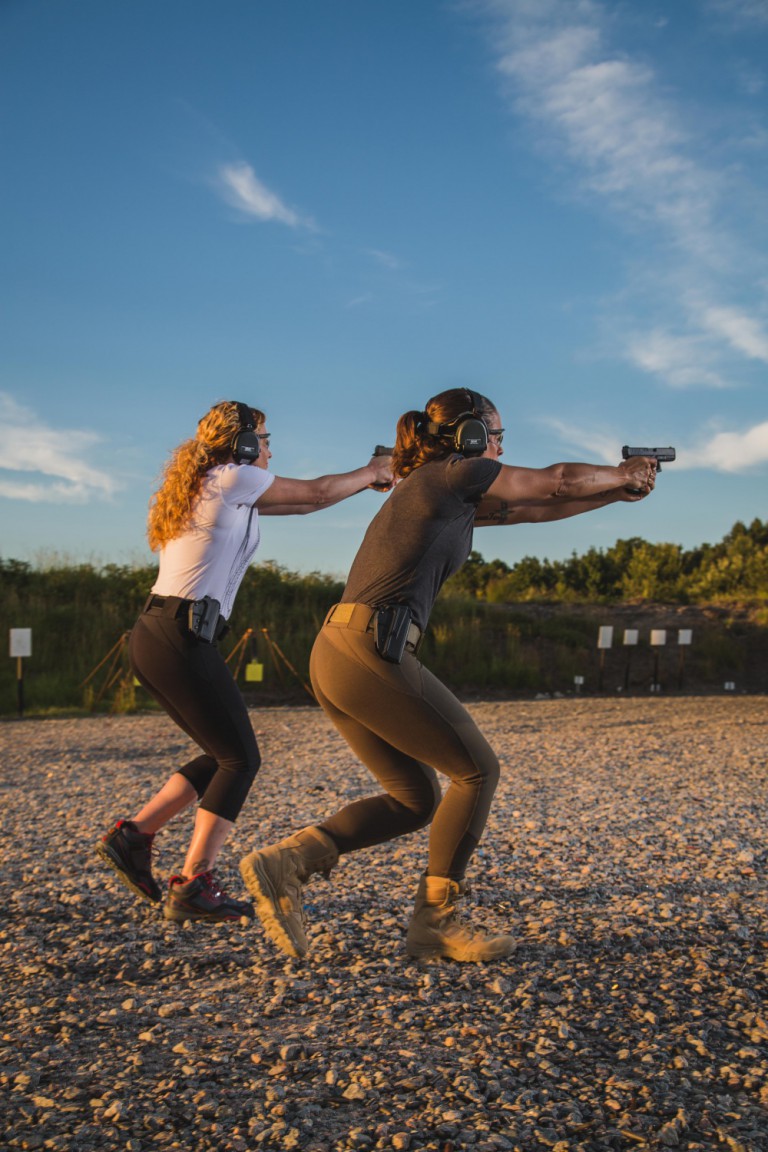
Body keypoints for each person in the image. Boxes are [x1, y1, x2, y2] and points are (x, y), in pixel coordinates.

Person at [240, 388, 657, 961]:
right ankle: (433, 925)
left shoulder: (441, 488)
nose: (502, 447)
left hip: (340, 652)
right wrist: (622, 471)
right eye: (497, 434)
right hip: (369, 650)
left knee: (414, 799)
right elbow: (558, 480)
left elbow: (537, 508)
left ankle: (286, 863)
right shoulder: (454, 472)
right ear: (470, 434)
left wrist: (615, 493)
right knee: (477, 772)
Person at [95, 399, 393, 924]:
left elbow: (307, 503)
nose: (271, 449)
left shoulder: (215, 485)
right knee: (240, 760)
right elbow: (317, 492)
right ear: (244, 444)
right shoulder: (231, 478)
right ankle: (193, 882)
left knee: (222, 754)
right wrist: (373, 470)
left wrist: (366, 480)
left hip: (162, 634)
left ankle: (135, 836)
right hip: (180, 637)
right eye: (265, 438)